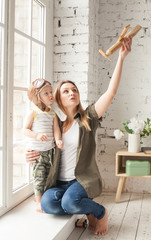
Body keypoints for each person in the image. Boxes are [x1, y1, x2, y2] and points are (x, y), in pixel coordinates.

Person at [25, 37, 132, 235]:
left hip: (80, 180)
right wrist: (30, 155)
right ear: (58, 98)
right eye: (66, 91)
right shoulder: (53, 123)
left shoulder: (88, 118)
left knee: (70, 202)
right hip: (58, 183)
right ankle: (83, 207)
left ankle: (99, 212)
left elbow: (110, 92)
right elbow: (40, 146)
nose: (72, 92)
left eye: (74, 90)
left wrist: (121, 58)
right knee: (48, 205)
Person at [24, 78, 63, 212]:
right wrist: (36, 136)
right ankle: (39, 201)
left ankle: (40, 197)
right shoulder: (33, 112)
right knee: (39, 176)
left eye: (51, 92)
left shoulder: (52, 113)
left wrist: (58, 140)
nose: (50, 95)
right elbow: (25, 129)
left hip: (49, 151)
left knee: (47, 176)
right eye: (46, 93)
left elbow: (56, 129)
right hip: (38, 151)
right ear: (38, 97)